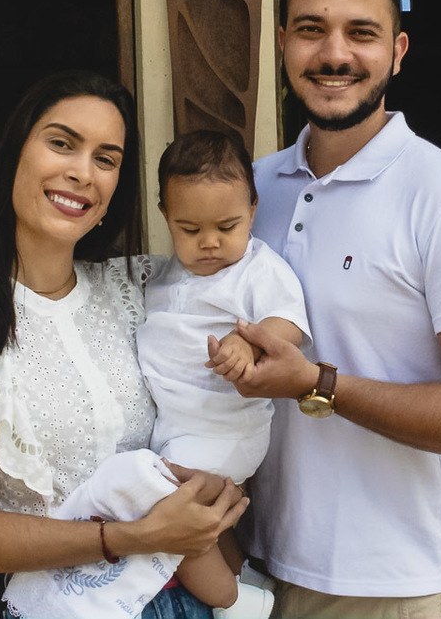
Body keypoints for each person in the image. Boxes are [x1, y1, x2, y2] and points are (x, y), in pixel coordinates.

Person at [216, 0, 441, 618]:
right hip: (251, 576)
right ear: (282, 43)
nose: (335, 53)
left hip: (396, 590)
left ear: (397, 51)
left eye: (361, 33)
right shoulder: (251, 190)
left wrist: (318, 382)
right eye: (311, 29)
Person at [0, 71, 249, 619]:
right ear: (13, 154)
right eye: (62, 143)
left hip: (192, 601)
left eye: (106, 159)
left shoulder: (141, 291)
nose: (82, 172)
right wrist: (128, 537)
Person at [137, 130, 310, 616]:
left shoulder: (257, 269)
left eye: (227, 226)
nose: (209, 243)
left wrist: (248, 341)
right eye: (189, 230)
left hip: (224, 428)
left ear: (253, 210)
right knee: (199, 521)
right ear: (166, 216)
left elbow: (288, 322)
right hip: (178, 426)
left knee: (167, 515)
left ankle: (236, 605)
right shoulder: (170, 273)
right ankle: (242, 575)